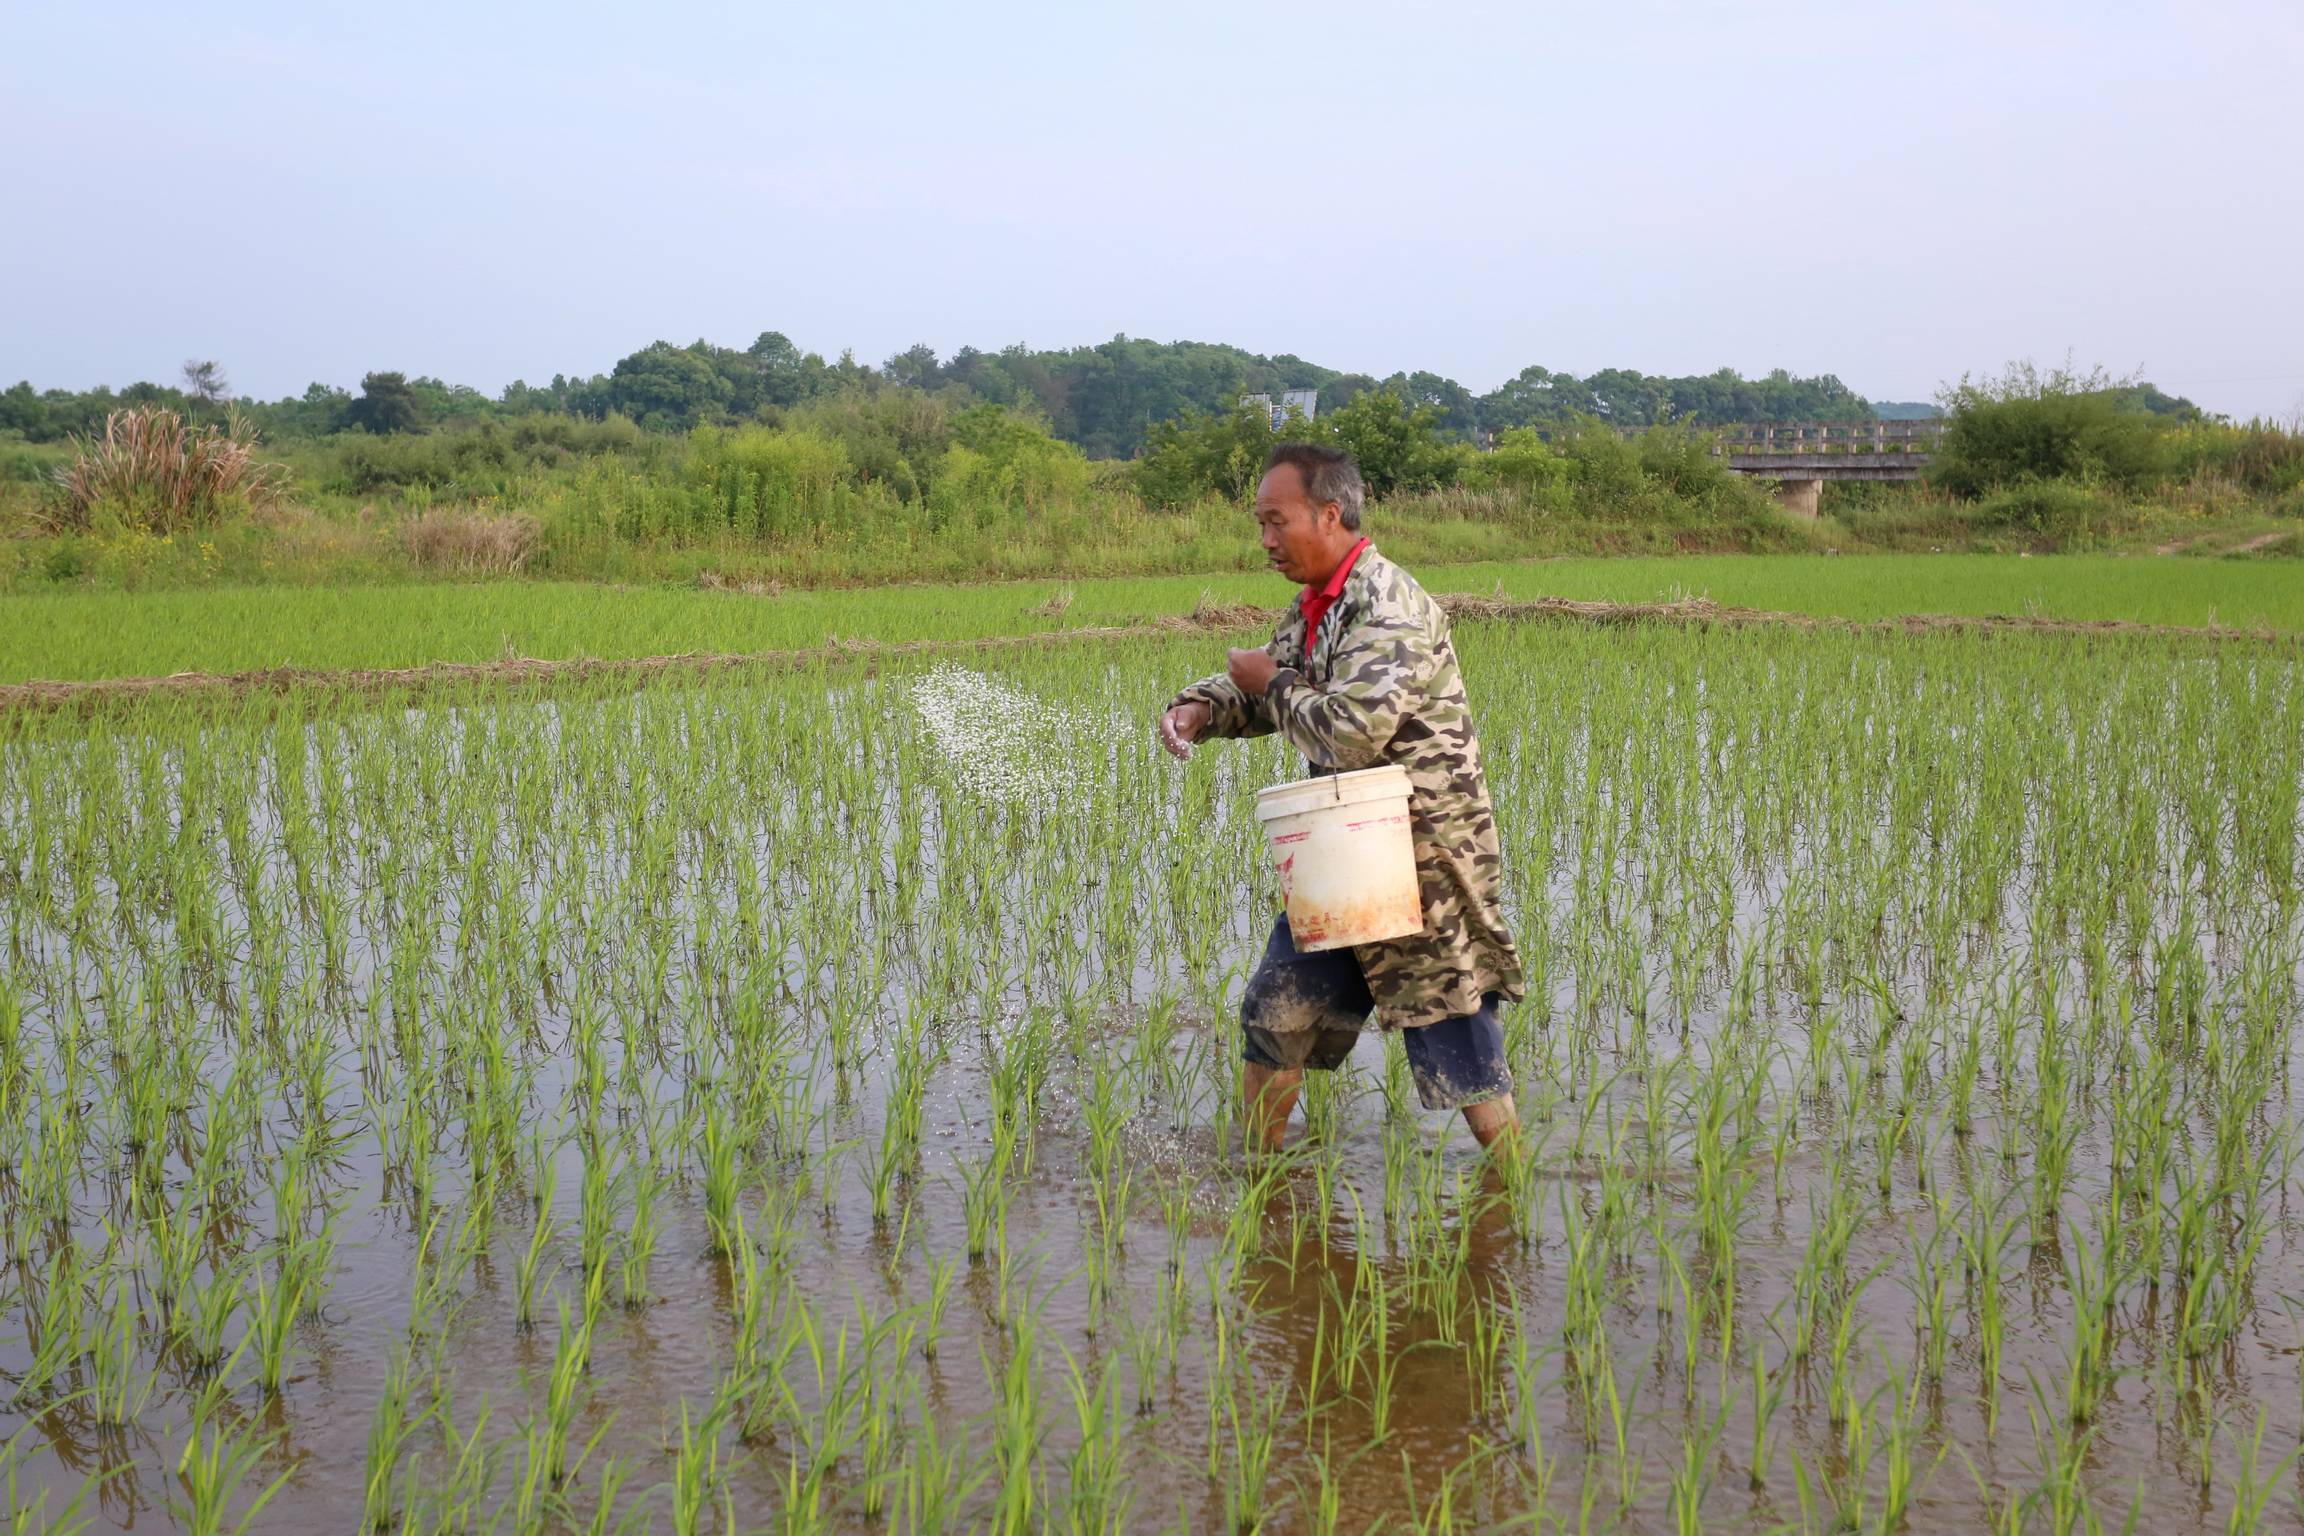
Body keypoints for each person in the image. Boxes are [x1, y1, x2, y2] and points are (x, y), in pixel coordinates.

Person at [1158, 442, 1526, 1155]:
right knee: (1277, 1011)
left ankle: (1509, 1190)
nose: (1265, 540)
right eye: (1259, 524)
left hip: (1421, 864)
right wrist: (1202, 709)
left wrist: (1269, 683)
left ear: (1330, 514)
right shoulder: (1320, 605)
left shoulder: (1388, 609)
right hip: (1344, 851)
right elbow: (1275, 688)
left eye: (1276, 521)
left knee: (1452, 1027)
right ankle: (1261, 1173)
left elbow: (1350, 731)